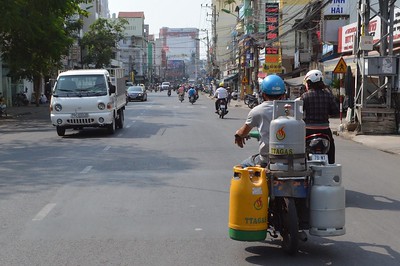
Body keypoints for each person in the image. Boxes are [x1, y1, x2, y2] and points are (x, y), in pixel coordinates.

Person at [234, 75, 286, 168]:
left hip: (267, 160)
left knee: (242, 167)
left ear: (263, 94)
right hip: (291, 160)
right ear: (283, 95)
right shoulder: (292, 109)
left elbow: (243, 132)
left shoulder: (257, 110)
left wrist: (238, 134)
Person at [301, 69, 339, 164]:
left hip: (308, 130)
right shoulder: (328, 95)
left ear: (309, 83)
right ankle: (330, 164)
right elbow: (335, 112)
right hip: (325, 131)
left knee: (300, 149)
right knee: (331, 148)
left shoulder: (305, 96)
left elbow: (298, 113)